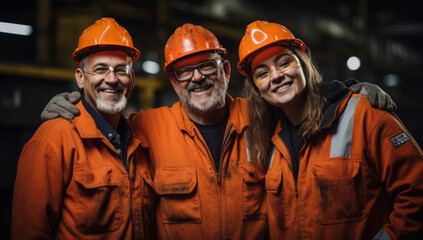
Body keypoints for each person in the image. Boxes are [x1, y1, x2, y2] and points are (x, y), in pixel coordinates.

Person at [40, 23, 395, 240]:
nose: (197, 78)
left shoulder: (266, 119)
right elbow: (104, 122)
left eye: (207, 66)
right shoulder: (144, 129)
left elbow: (302, 103)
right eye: (184, 71)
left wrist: (349, 91)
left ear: (225, 69)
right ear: (172, 81)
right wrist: (72, 105)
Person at [237, 20, 423, 240]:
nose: (276, 76)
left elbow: (417, 194)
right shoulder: (269, 143)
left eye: (284, 62)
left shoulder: (363, 115)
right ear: (257, 89)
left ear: (303, 63)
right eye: (262, 73)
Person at [12, 17, 155, 240]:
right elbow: (29, 231)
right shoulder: (52, 140)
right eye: (100, 69)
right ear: (80, 78)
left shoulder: (140, 140)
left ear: (132, 79)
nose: (111, 79)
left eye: (121, 70)